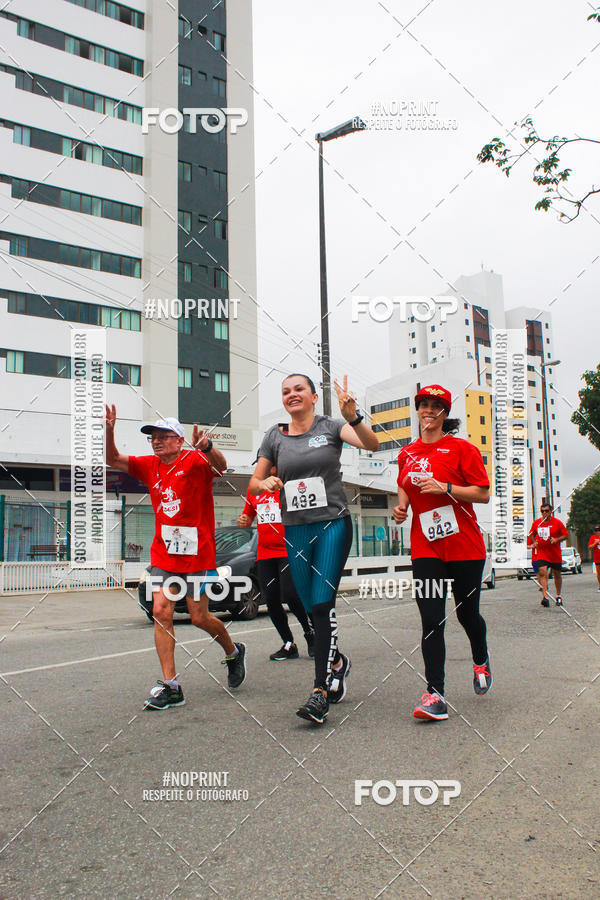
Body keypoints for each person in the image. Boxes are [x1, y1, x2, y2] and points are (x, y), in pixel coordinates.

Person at [249, 374, 379, 725]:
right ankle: (337, 662)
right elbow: (254, 481)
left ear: (312, 396)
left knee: (322, 603)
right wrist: (266, 481)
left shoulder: (332, 427)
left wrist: (353, 417)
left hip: (332, 523)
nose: (292, 395)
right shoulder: (274, 436)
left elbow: (372, 444)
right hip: (296, 529)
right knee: (303, 600)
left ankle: (319, 690)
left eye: (298, 390)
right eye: (286, 391)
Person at [104, 406, 246, 709]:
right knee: (162, 611)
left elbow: (220, 467)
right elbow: (113, 459)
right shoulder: (149, 465)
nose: (156, 442)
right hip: (164, 553)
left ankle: (233, 652)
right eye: (152, 438)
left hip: (198, 552)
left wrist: (206, 446)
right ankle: (171, 686)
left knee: (198, 617)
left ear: (179, 441)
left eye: (163, 437)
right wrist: (109, 431)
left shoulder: (194, 459)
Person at [392, 385, 491, 722]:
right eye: (424, 404)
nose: (429, 410)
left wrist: (446, 488)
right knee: (432, 620)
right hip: (426, 548)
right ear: (417, 410)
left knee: (468, 616)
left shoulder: (462, 448)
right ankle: (435, 693)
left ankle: (480, 656)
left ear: (445, 413)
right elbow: (404, 484)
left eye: (436, 405)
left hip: (465, 547)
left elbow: (482, 493)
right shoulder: (407, 453)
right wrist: (402, 507)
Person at [238, 468, 315, 660]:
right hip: (265, 552)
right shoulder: (254, 489)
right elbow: (248, 516)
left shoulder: (288, 485)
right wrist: (245, 520)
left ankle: (310, 633)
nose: (264, 468)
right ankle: (289, 644)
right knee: (271, 600)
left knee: (290, 594)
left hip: (290, 549)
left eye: (269, 464)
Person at [528, 502, 569, 607]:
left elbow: (565, 535)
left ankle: (558, 595)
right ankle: (545, 597)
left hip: (554, 553)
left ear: (551, 511)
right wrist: (534, 542)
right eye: (542, 511)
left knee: (557, 574)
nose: (544, 513)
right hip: (542, 552)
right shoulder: (537, 523)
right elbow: (531, 534)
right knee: (542, 572)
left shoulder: (557, 523)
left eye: (546, 511)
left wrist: (557, 539)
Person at [588, 525, 600, 591]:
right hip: (597, 558)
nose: (598, 532)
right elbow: (590, 547)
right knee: (598, 573)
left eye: (598, 530)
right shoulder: (593, 538)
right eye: (596, 531)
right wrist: (595, 543)